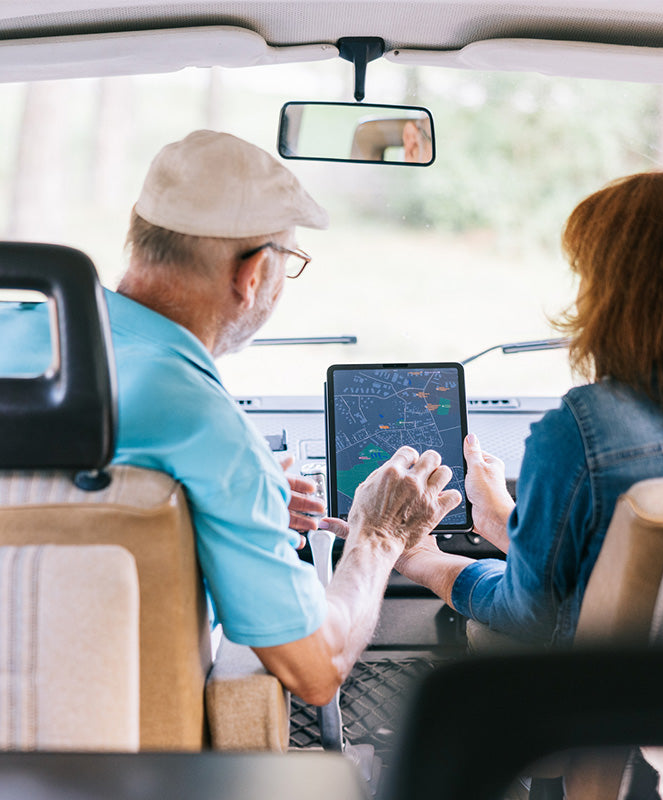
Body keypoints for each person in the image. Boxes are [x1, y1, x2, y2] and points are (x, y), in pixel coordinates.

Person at [0, 130, 460, 704]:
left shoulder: (11, 329)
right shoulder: (211, 434)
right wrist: (380, 534)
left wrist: (241, 498)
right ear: (252, 275)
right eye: (289, 262)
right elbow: (316, 668)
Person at [334, 166, 663, 647]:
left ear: (620, 297)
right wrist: (498, 517)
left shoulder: (586, 431)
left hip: (614, 709)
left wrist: (419, 558)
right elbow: (610, 567)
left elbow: (530, 616)